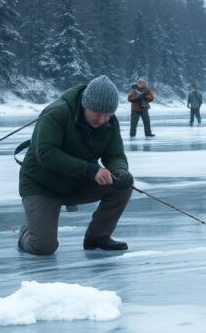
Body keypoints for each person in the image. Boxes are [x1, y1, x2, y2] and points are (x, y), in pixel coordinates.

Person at [18, 75, 133, 255]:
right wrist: (90, 170)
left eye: (107, 115)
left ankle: (97, 237)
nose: (102, 120)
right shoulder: (57, 113)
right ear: (85, 105)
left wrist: (120, 170)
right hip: (41, 185)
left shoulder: (110, 123)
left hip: (78, 182)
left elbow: (115, 154)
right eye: (97, 113)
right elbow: (46, 154)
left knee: (122, 186)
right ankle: (27, 232)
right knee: (42, 247)